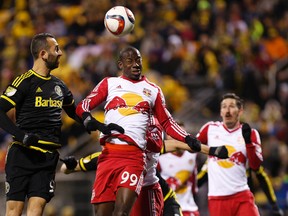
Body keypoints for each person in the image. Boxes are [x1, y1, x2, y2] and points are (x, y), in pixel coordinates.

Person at [75, 46, 228, 216]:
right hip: (109, 155)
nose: (135, 64)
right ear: (120, 64)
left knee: (121, 213)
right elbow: (83, 105)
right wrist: (88, 119)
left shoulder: (153, 90)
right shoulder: (109, 83)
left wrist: (187, 138)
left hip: (134, 157)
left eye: (138, 60)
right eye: (130, 61)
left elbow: (167, 121)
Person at [0, 33, 122, 216]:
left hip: (48, 158)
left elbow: (75, 112)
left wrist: (95, 123)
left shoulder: (60, 86)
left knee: (37, 209)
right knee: (14, 210)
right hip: (22, 154)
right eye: (56, 49)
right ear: (43, 54)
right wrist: (21, 135)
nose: (60, 53)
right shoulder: (24, 81)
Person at [195, 92, 263, 216]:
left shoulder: (251, 133)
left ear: (240, 111)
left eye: (231, 106)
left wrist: (248, 143)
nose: (227, 110)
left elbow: (255, 166)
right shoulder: (210, 129)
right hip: (217, 198)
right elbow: (192, 147)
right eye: (224, 106)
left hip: (242, 195)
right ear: (220, 111)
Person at [197, 160, 284, 216]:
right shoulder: (214, 158)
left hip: (244, 202)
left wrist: (274, 204)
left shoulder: (244, 152)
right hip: (222, 203)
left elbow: (261, 176)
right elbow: (199, 180)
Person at [158, 122, 200, 216]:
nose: (178, 139)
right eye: (174, 135)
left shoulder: (192, 156)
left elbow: (194, 181)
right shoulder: (159, 159)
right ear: (167, 136)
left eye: (182, 134)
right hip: (169, 207)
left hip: (189, 208)